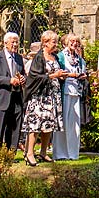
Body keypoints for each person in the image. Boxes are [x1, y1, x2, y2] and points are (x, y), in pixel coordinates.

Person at [24, 30, 67, 165]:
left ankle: (43, 152)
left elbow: (55, 73)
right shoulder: (39, 57)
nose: (56, 45)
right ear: (45, 42)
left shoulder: (55, 57)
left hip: (53, 94)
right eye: (54, 42)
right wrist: (54, 75)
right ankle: (30, 153)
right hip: (40, 96)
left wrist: (61, 76)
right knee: (36, 124)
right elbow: (35, 77)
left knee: (49, 124)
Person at [0, 32, 26, 149]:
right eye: (12, 42)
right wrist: (9, 80)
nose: (15, 44)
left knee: (14, 127)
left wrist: (23, 78)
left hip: (17, 97)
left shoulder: (19, 58)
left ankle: (11, 152)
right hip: (2, 97)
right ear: (5, 43)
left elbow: (22, 73)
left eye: (16, 42)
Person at [53, 34, 87, 160]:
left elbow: (82, 71)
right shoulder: (61, 57)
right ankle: (60, 153)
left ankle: (73, 153)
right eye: (72, 41)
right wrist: (72, 75)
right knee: (63, 122)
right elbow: (58, 73)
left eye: (76, 41)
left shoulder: (79, 58)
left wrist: (82, 76)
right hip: (65, 90)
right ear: (66, 42)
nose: (74, 43)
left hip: (76, 91)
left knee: (74, 124)